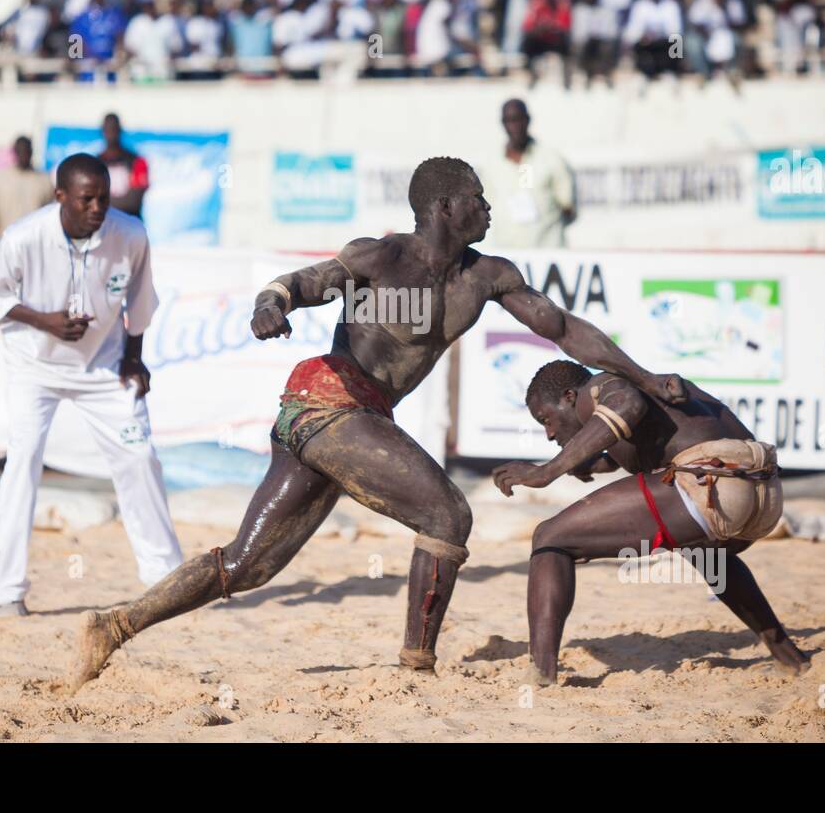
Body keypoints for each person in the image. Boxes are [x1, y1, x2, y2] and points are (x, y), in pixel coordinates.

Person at [67, 155, 688, 691]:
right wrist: (268, 306)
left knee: (250, 565)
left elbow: (565, 330)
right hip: (328, 402)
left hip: (346, 420)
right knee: (448, 514)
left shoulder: (488, 275)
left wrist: (641, 374)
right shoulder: (381, 255)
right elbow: (298, 284)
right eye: (478, 197)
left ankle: (114, 625)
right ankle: (417, 666)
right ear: (445, 206)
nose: (489, 206)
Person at [493, 359, 809, 686]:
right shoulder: (648, 392)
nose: (548, 433)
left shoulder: (601, 386)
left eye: (546, 419)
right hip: (763, 493)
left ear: (571, 396)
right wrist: (588, 462)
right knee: (707, 553)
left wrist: (547, 470)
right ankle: (790, 659)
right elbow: (638, 438)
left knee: (550, 536)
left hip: (712, 484)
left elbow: (627, 404)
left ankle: (541, 675)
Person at [0, 153, 184, 616]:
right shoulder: (24, 237)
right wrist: (44, 321)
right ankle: (8, 591)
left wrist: (134, 360)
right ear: (61, 197)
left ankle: (165, 578)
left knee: (139, 455)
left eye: (104, 199)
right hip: (34, 366)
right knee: (24, 459)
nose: (97, 208)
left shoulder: (130, 234)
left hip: (103, 367)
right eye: (86, 199)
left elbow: (141, 302)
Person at [482, 99, 576, 250]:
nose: (515, 126)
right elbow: (487, 208)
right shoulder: (492, 165)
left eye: (519, 119)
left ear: (528, 120)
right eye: (510, 120)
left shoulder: (552, 159)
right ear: (503, 124)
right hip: (509, 255)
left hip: (548, 253)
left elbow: (569, 208)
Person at [0, 136, 53, 246]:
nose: (24, 154)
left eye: (26, 150)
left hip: (34, 244)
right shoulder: (1, 179)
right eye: (20, 151)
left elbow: (50, 214)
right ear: (15, 152)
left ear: (31, 151)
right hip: (6, 243)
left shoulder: (43, 180)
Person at [98, 113, 149, 216]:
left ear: (120, 130)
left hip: (130, 224)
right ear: (102, 131)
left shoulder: (137, 161)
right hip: (103, 226)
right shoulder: (95, 164)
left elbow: (134, 202)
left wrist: (102, 202)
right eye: (108, 129)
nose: (111, 133)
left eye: (114, 128)